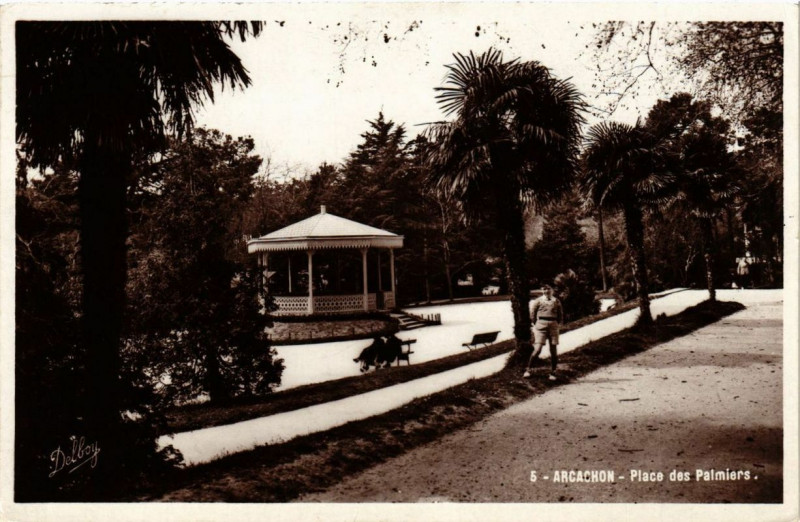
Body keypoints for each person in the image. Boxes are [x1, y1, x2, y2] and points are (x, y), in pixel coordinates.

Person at [523, 284, 563, 381]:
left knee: (553, 349)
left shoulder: (556, 301)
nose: (546, 291)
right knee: (538, 349)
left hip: (553, 325)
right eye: (544, 289)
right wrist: (536, 323)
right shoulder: (538, 301)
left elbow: (560, 314)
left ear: (552, 290)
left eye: (549, 289)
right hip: (541, 325)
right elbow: (533, 314)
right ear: (542, 290)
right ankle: (528, 370)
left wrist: (557, 324)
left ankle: (553, 372)